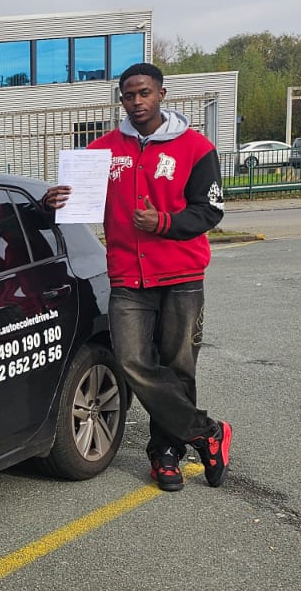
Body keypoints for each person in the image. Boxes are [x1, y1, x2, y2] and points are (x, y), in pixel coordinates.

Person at [43, 63, 232, 491]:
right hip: (128, 277)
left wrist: (164, 222)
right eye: (128, 95)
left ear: (162, 94)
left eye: (144, 93)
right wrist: (53, 201)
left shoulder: (196, 148)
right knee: (132, 362)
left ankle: (165, 453)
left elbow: (210, 211)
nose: (137, 102)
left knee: (178, 366)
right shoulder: (102, 151)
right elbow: (79, 206)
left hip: (181, 275)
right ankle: (207, 432)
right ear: (122, 100)